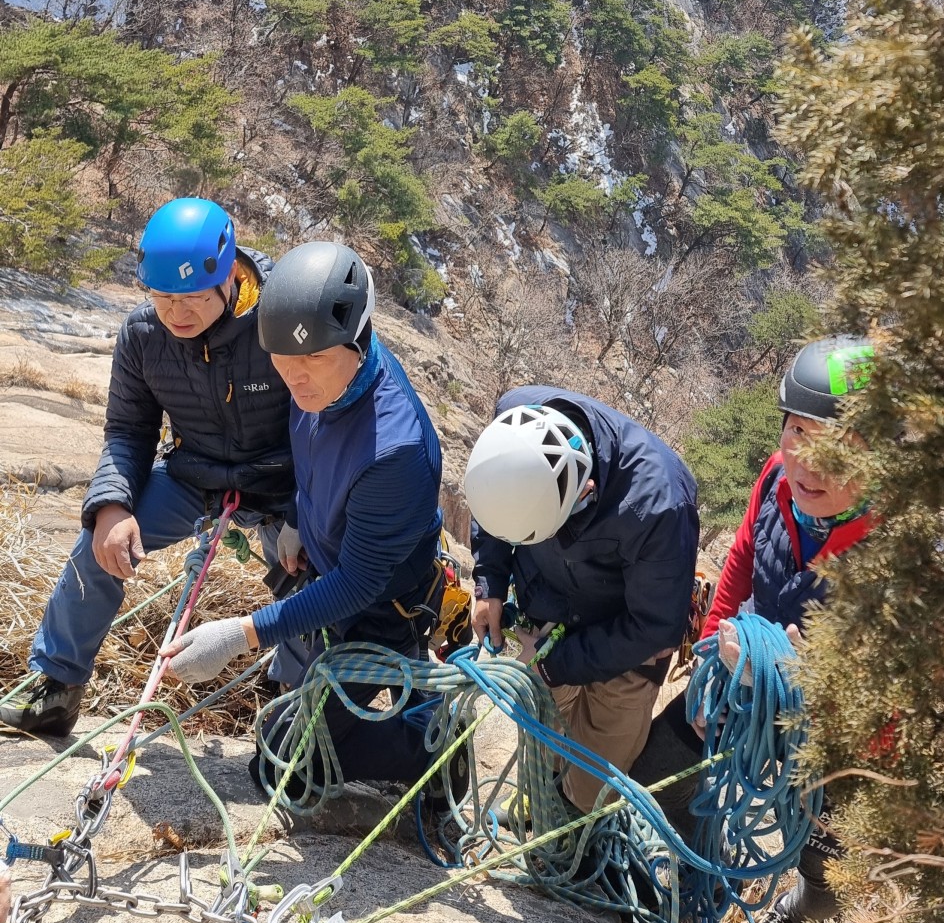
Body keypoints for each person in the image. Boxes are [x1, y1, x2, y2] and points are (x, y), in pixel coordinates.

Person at [0, 198, 294, 738]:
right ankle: (56, 687)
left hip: (283, 481)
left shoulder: (281, 319)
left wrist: (303, 514)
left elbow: (320, 424)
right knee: (97, 547)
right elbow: (129, 431)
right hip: (196, 475)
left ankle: (297, 711)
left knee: (305, 576)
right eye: (162, 298)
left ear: (229, 276)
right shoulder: (142, 336)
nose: (176, 314)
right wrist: (111, 506)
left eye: (192, 299)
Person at [160, 240, 448, 791]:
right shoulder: (319, 372)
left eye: (312, 359)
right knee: (287, 739)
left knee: (282, 770)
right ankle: (398, 712)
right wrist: (297, 517)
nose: (294, 378)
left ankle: (432, 754)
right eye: (283, 360)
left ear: (358, 341)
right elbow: (309, 453)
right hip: (334, 568)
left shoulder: (395, 448)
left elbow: (359, 583)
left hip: (381, 608)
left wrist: (241, 634)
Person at [634, 336, 876, 923]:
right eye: (798, 431)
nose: (808, 462)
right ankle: (688, 895)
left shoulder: (897, 550)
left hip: (846, 737)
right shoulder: (775, 480)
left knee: (826, 863)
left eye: (836, 444)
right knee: (660, 771)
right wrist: (714, 651)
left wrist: (814, 686)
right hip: (744, 676)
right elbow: (742, 559)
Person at [466, 387, 699, 813]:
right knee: (541, 737)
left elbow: (654, 625)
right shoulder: (513, 427)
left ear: (585, 490)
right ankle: (538, 805)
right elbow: (492, 508)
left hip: (625, 646)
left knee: (594, 787)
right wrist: (489, 583)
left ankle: (575, 841)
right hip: (549, 608)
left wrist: (556, 663)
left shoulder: (659, 505)